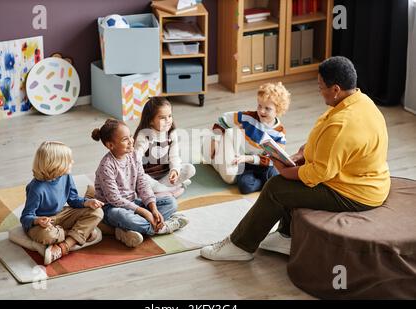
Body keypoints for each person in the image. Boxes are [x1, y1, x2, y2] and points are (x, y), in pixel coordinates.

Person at [200, 56, 391, 260]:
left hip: (354, 192)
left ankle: (240, 247)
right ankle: (286, 236)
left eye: (320, 87)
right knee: (284, 182)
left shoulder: (343, 124)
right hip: (359, 178)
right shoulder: (361, 102)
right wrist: (303, 154)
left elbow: (318, 173)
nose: (319, 91)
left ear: (335, 89)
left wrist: (285, 170)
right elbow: (335, 147)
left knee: (276, 187)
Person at [92, 118, 188, 248]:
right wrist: (145, 212)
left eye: (130, 136)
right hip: (111, 208)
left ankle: (130, 229)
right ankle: (162, 227)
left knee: (170, 202)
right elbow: (114, 199)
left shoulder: (134, 156)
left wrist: (153, 208)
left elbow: (142, 183)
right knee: (120, 215)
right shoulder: (106, 166)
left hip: (133, 202)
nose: (131, 141)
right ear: (110, 145)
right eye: (125, 139)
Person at [20, 141, 104, 265]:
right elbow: (25, 217)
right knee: (46, 236)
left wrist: (88, 202)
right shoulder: (36, 189)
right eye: (69, 160)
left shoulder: (66, 176)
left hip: (62, 214)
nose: (73, 162)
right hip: (43, 224)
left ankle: (63, 246)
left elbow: (73, 200)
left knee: (97, 212)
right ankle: (78, 234)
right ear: (56, 164)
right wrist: (37, 221)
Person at [207, 82, 290, 194]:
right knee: (245, 186)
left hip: (264, 164)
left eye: (267, 108)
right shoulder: (248, 118)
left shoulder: (280, 133)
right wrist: (215, 140)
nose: (261, 111)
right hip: (246, 164)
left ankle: (267, 183)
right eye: (259, 106)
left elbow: (275, 159)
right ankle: (265, 184)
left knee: (277, 177)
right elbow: (222, 120)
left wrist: (250, 158)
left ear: (278, 110)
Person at [134, 97, 196, 198]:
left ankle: (161, 191)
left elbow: (174, 156)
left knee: (190, 169)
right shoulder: (144, 136)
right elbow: (136, 161)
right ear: (150, 121)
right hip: (148, 176)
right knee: (142, 178)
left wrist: (174, 170)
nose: (168, 120)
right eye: (162, 118)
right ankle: (170, 190)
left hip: (165, 175)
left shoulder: (171, 133)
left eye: (170, 116)